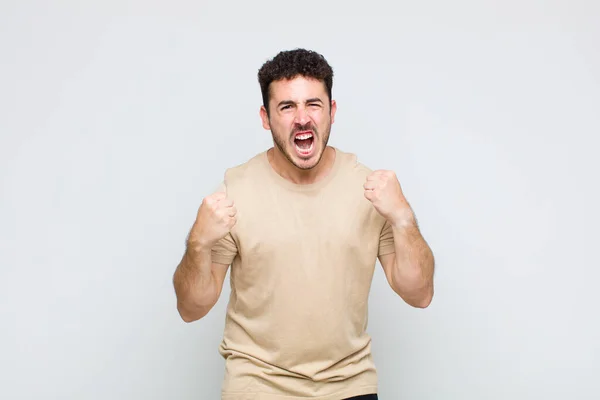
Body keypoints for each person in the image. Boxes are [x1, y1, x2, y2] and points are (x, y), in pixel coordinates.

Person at [172, 48, 435, 400]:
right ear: (266, 117)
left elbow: (420, 294)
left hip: (349, 385)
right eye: (287, 107)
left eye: (313, 104)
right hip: (258, 386)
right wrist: (198, 244)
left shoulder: (370, 190)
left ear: (332, 111)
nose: (302, 118)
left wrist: (403, 218)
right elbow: (191, 308)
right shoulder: (235, 192)